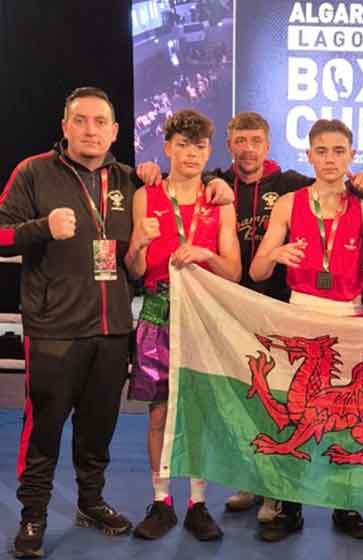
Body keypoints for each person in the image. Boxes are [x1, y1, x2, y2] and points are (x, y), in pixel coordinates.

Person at [218, 111, 363, 522]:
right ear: (308, 155)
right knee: (295, 414)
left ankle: (346, 508)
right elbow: (256, 273)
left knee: (349, 416)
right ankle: (289, 507)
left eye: (339, 151)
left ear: (352, 155)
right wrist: (275, 254)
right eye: (321, 151)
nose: (330, 159)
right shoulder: (289, 203)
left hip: (349, 317)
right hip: (300, 314)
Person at [0, 87, 136, 559]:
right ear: (65, 126)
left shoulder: (130, 181)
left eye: (101, 121)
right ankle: (33, 514)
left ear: (115, 131)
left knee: (99, 427)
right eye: (81, 120)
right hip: (54, 330)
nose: (91, 129)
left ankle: (91, 502)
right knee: (43, 430)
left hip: (113, 329)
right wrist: (39, 228)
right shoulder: (34, 172)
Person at [124, 109, 241, 542]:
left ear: (208, 151)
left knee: (200, 413)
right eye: (184, 144)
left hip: (204, 318)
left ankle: (197, 504)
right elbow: (134, 268)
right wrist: (139, 243)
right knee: (158, 413)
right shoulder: (146, 195)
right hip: (156, 313)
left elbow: (234, 271)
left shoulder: (218, 200)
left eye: (200, 146)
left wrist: (205, 254)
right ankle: (161, 501)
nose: (192, 154)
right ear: (168, 147)